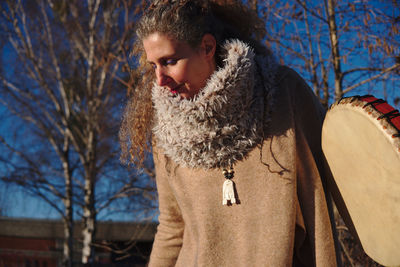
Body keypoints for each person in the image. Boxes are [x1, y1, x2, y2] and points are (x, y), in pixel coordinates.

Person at [120, 0, 340, 266]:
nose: (159, 79)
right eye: (153, 65)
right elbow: (172, 227)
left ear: (207, 47)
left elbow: (317, 209)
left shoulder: (282, 95)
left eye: (169, 61)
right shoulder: (164, 131)